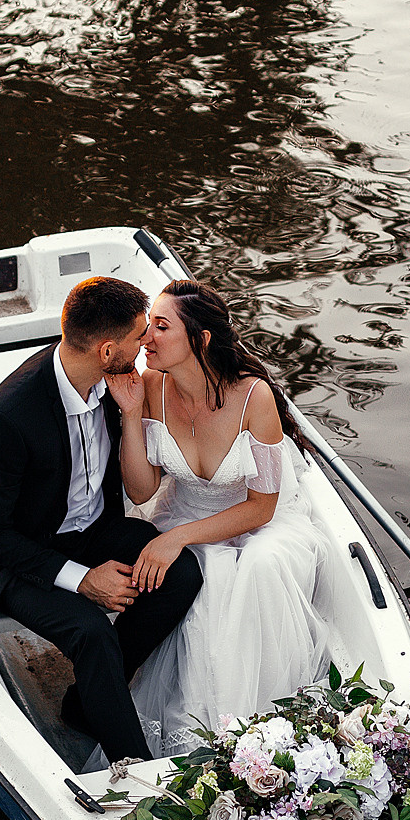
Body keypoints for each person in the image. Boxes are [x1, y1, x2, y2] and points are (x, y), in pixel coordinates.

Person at [0, 276, 203, 763]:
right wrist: (83, 580)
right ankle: (137, 772)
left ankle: (86, 702)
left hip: (91, 531)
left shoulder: (114, 383)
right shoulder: (7, 419)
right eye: (139, 335)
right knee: (90, 631)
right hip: (19, 558)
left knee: (182, 573)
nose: (147, 342)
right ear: (108, 349)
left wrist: (131, 413)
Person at [109, 278, 334, 757]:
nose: (146, 338)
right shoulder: (149, 387)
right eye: (148, 325)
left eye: (161, 327)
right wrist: (130, 415)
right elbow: (142, 490)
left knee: (259, 567)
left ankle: (264, 731)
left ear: (201, 340)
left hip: (263, 522)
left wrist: (178, 538)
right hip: (182, 513)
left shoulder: (254, 397)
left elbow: (263, 505)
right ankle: (210, 740)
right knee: (202, 579)